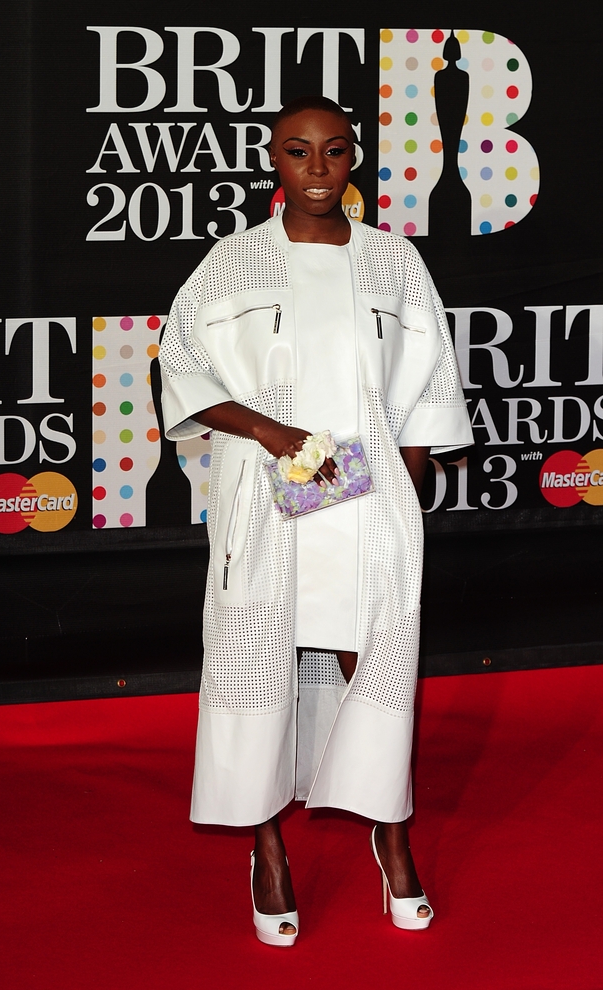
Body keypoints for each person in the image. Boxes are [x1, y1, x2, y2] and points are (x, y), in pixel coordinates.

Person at [159, 95, 473, 946]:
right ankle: (267, 851)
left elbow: (426, 383)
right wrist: (266, 428)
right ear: (274, 161)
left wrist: (404, 494)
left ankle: (390, 833)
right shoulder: (232, 263)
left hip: (364, 493)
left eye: (334, 152)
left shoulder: (394, 263)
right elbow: (182, 365)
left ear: (354, 159)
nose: (318, 170)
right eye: (298, 153)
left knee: (372, 655)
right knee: (258, 652)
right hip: (269, 493)